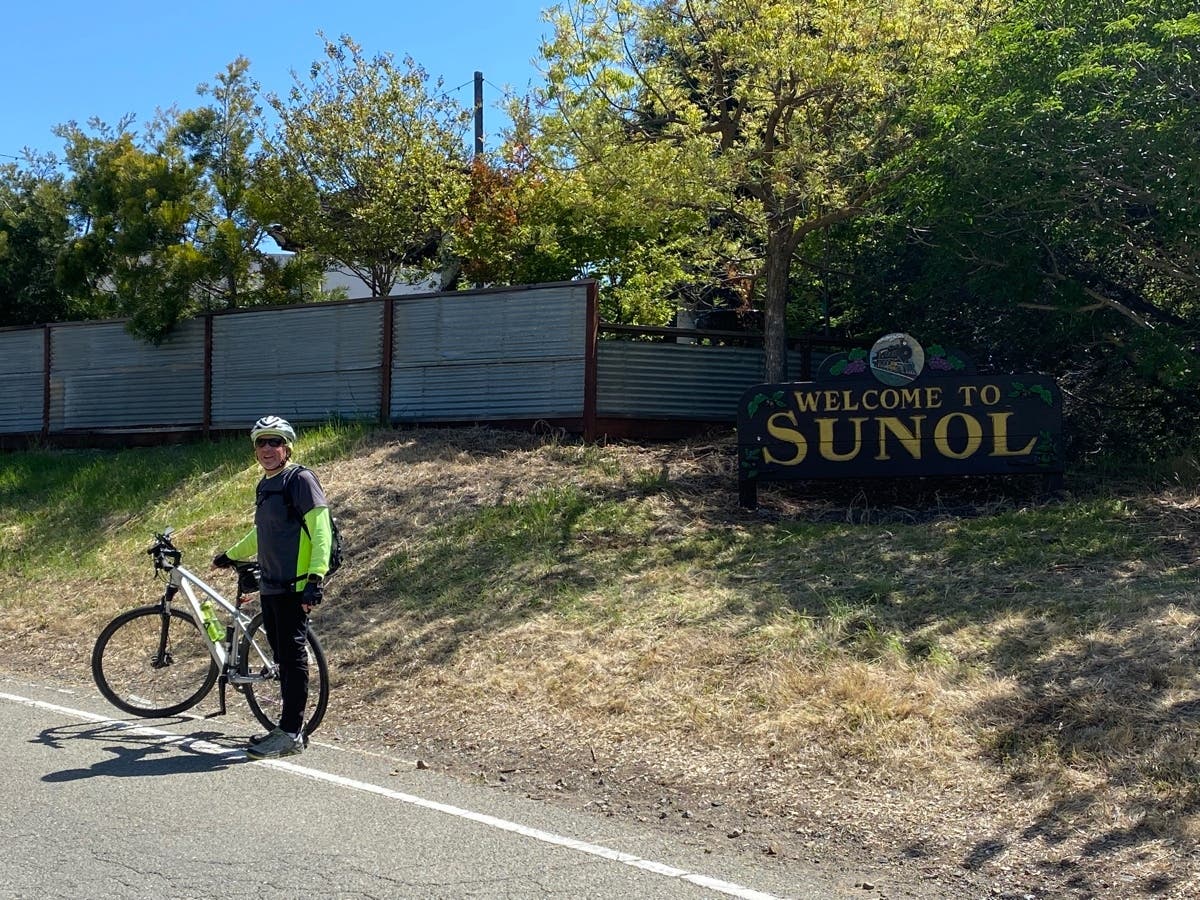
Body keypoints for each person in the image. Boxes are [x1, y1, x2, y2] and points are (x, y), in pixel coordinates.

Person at [212, 415, 333, 759]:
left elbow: (321, 529)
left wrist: (315, 579)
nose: (267, 448)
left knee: (293, 659)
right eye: (261, 442)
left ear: (287, 448)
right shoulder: (265, 485)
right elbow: (263, 532)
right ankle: (285, 727)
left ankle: (293, 733)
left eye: (274, 442)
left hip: (296, 585)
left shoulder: (301, 480)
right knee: (282, 658)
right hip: (272, 584)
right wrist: (231, 554)